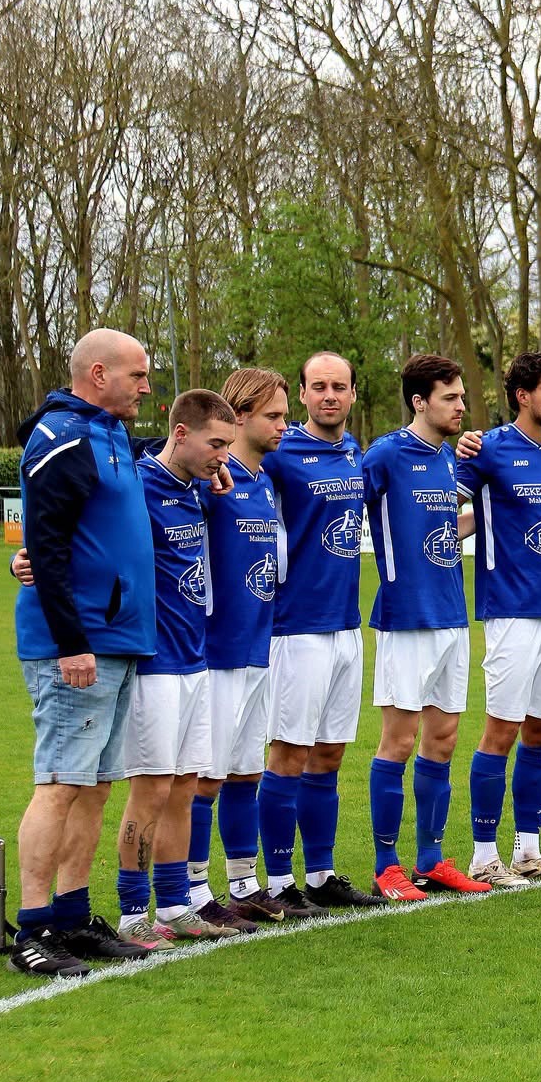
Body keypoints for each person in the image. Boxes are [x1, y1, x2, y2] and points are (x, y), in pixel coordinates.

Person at [8, 328, 163, 977]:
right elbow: (43, 544)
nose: (147, 385)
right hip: (78, 646)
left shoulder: (111, 437)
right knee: (59, 785)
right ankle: (33, 928)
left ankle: (72, 917)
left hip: (118, 640)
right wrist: (72, 640)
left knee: (95, 788)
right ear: (98, 374)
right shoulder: (66, 438)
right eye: (138, 374)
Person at [359, 354, 492, 900]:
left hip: (451, 618)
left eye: (461, 397)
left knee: (443, 740)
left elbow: (441, 529)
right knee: (399, 740)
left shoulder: (448, 460)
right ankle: (386, 865)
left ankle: (431, 859)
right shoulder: (386, 454)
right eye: (451, 397)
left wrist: (481, 516)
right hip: (406, 618)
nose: (462, 406)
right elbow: (344, 510)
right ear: (420, 401)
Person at [112, 390, 242, 948]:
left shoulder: (197, 490)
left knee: (186, 785)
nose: (224, 457)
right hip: (154, 663)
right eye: (216, 444)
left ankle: (176, 902)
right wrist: (27, 563)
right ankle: (131, 913)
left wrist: (217, 486)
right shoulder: (138, 486)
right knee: (151, 789)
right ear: (181, 434)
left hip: (196, 659)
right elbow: (87, 541)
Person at [259, 353, 385, 913]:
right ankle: (277, 881)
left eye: (339, 386)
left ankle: (321, 873)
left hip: (345, 626)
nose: (329, 395)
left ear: (353, 394)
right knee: (289, 752)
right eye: (319, 387)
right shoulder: (279, 454)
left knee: (330, 754)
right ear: (304, 397)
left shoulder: (354, 452)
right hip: (295, 627)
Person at [455, 351, 541, 887]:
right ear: (523, 396)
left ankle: (528, 849)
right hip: (511, 613)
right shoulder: (486, 450)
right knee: (501, 730)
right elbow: (442, 498)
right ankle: (484, 854)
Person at [193, 368, 299, 926]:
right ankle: (189, 889)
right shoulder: (213, 478)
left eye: (284, 414)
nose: (283, 426)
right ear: (237, 419)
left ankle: (244, 883)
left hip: (258, 646)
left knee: (244, 773)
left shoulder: (261, 481)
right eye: (273, 416)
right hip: (216, 650)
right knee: (205, 776)